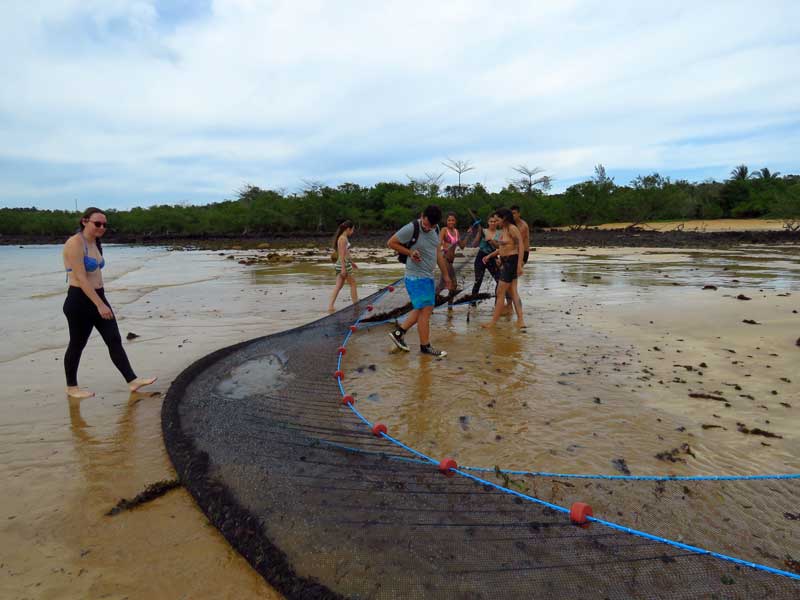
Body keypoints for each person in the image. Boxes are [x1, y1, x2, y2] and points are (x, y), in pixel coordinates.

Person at [62, 207, 156, 399]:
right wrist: (100, 305)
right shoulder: (75, 243)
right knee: (77, 344)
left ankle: (132, 380)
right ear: (84, 221)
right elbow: (81, 278)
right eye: (97, 223)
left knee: (113, 339)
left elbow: (95, 275)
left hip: (98, 297)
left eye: (104, 225)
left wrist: (101, 301)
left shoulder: (95, 242)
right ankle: (72, 387)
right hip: (79, 301)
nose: (102, 227)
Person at [387, 205, 452, 357]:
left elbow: (438, 254)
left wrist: (446, 275)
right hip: (415, 277)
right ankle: (425, 346)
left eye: (431, 226)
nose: (428, 228)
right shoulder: (411, 228)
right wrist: (410, 252)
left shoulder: (436, 229)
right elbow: (391, 243)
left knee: (421, 309)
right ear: (422, 216)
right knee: (426, 311)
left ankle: (398, 333)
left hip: (428, 276)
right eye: (426, 224)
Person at [481, 208, 526, 329]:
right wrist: (490, 255)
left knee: (500, 292)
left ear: (504, 218)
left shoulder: (512, 228)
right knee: (513, 292)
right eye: (494, 221)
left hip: (512, 262)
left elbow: (520, 246)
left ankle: (493, 322)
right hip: (506, 262)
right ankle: (521, 320)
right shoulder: (504, 230)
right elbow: (501, 247)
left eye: (497, 220)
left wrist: (519, 265)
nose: (495, 223)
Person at [327, 220, 359, 312]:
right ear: (348, 229)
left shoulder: (343, 238)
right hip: (343, 264)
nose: (353, 232)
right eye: (352, 230)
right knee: (353, 284)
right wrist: (344, 268)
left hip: (342, 263)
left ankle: (330, 307)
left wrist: (352, 262)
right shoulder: (342, 239)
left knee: (338, 286)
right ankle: (356, 305)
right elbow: (341, 254)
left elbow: (346, 252)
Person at [437, 212, 466, 308]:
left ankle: (448, 307)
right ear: (446, 221)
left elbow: (462, 246)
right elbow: (439, 243)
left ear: (455, 221)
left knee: (447, 285)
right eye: (449, 220)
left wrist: (468, 235)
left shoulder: (456, 231)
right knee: (451, 284)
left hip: (450, 262)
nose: (451, 222)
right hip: (444, 259)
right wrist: (444, 246)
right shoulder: (444, 230)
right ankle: (446, 306)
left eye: (453, 220)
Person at [471, 214, 501, 295]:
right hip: (481, 256)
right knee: (478, 281)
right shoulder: (483, 231)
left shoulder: (500, 233)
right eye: (491, 221)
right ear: (488, 222)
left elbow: (500, 247)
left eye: (495, 221)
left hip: (493, 256)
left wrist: (491, 241)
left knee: (499, 280)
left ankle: (497, 300)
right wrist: (479, 233)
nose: (493, 223)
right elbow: (474, 245)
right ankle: (473, 300)